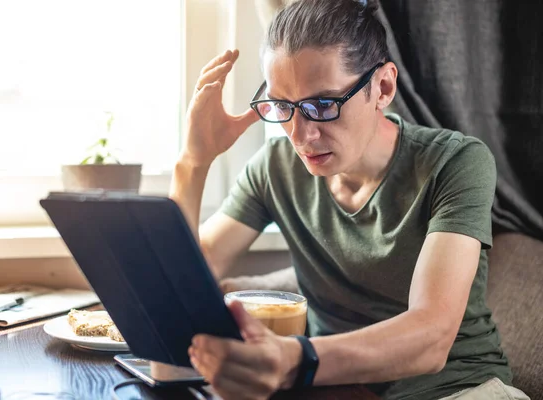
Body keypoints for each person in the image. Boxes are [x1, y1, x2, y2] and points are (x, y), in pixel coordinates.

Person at [168, 0, 530, 399]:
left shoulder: (455, 162)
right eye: (283, 106)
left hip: (461, 389)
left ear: (383, 88)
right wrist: (193, 162)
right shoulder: (276, 168)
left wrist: (294, 359)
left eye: (322, 105)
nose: (300, 135)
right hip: (339, 390)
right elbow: (183, 280)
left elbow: (432, 335)